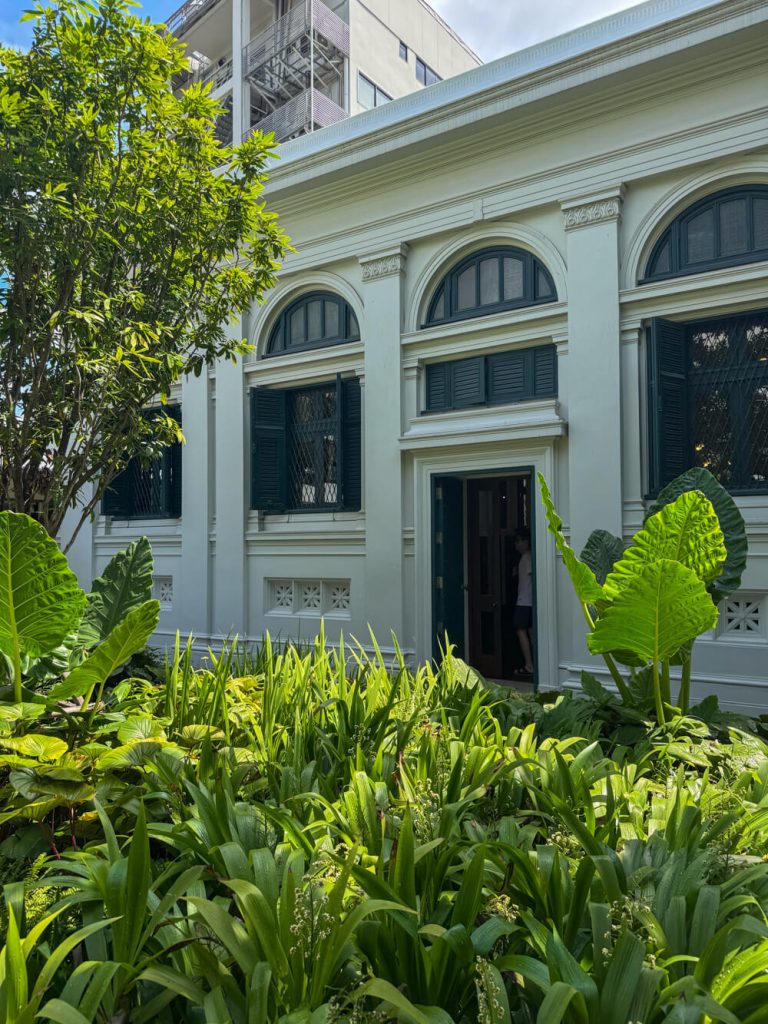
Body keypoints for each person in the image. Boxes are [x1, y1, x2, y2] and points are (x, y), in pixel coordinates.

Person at [513, 529, 534, 677]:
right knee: (530, 632)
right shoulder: (524, 558)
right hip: (526, 601)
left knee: (521, 631)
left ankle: (529, 665)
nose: (518, 543)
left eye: (521, 540)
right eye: (516, 540)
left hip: (525, 601)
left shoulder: (527, 558)